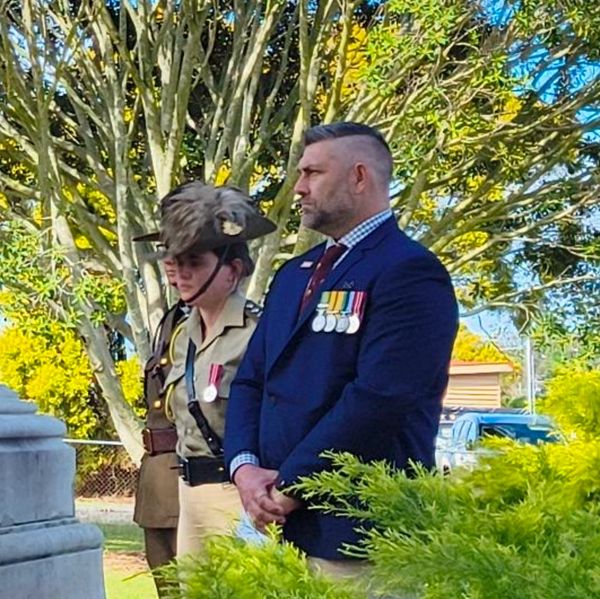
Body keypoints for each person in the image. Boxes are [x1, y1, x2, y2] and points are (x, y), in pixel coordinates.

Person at [224, 122, 459, 575]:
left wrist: (290, 487)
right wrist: (245, 469)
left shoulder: (409, 271)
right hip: (277, 528)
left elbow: (380, 397)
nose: (299, 188)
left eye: (313, 174)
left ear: (358, 177)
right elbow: (253, 379)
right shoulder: (294, 274)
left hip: (359, 533)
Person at [156, 181, 276, 557]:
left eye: (196, 262)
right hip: (189, 493)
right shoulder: (182, 336)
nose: (181, 274)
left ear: (232, 270)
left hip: (238, 495)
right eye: (176, 262)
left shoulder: (260, 332)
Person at [132, 253, 188, 597]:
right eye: (167, 252)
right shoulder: (172, 318)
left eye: (184, 254)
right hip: (159, 475)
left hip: (195, 474)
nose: (169, 261)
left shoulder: (224, 321)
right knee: (167, 587)